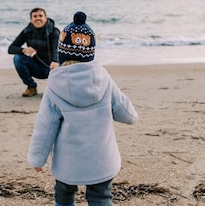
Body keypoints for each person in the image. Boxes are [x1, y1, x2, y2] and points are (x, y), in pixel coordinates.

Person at [27, 11, 138, 206]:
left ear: (62, 52)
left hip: (68, 164)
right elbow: (127, 114)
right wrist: (131, 113)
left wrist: (37, 159)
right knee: (101, 198)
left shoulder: (55, 85)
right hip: (101, 160)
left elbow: (45, 127)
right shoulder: (104, 79)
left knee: (63, 195)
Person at [8, 7, 60, 97]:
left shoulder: (54, 31)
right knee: (17, 58)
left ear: (45, 18)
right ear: (31, 20)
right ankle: (31, 87)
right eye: (35, 16)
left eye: (40, 16)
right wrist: (24, 50)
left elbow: (58, 49)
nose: (38, 18)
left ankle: (58, 88)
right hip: (36, 67)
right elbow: (11, 48)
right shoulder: (26, 31)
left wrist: (55, 61)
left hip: (53, 68)